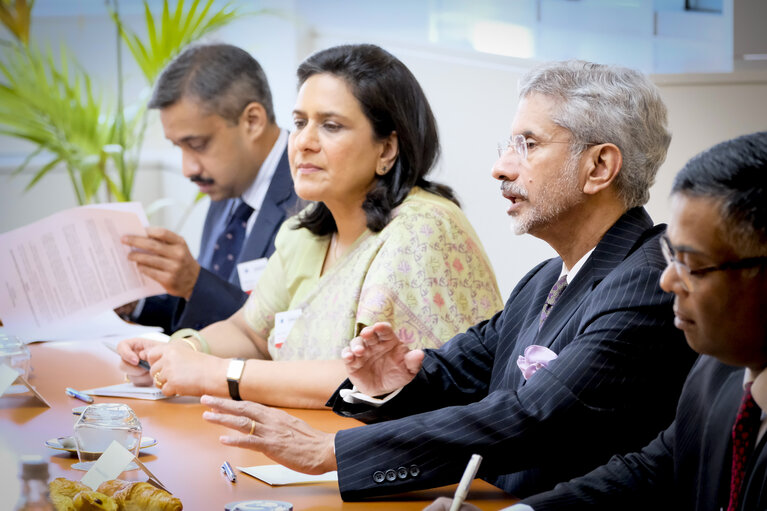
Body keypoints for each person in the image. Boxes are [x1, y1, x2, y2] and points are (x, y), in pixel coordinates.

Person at [199, 60, 699, 500]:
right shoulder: (548, 275)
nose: (500, 168)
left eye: (528, 145)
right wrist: (389, 384)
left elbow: (530, 416)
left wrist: (330, 450)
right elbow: (455, 369)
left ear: (599, 167)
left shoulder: (647, 283)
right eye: (509, 145)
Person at [117, 44, 503, 409]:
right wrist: (181, 351)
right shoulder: (304, 231)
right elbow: (250, 332)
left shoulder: (424, 231)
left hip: (404, 463)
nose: (303, 142)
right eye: (300, 122)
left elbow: (371, 380)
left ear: (386, 149)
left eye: (331, 126)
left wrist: (220, 373)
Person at [427, 131, 767, 511]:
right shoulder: (717, 372)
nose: (668, 280)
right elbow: (652, 471)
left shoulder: (639, 286)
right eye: (672, 256)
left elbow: (533, 417)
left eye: (693, 264)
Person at [115, 43, 298, 333]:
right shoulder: (226, 187)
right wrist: (137, 304)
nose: (188, 169)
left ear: (253, 121)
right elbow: (204, 308)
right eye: (179, 147)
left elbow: (285, 335)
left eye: (198, 145)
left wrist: (194, 282)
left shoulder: (313, 197)